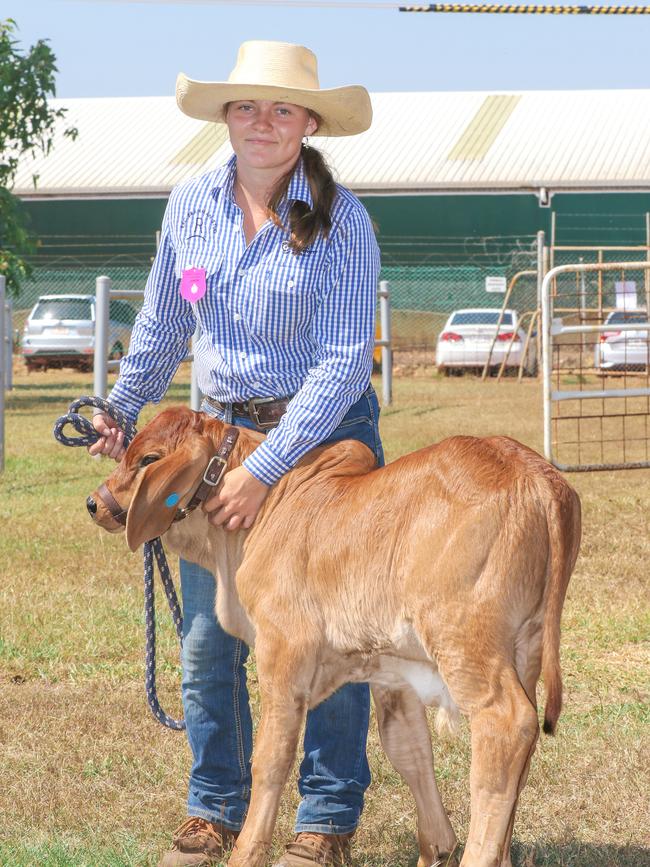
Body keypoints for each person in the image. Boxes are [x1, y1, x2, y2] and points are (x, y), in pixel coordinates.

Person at [90, 40, 383, 867]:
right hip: (214, 446)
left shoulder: (342, 221)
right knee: (212, 637)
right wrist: (121, 403)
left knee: (325, 633)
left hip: (322, 444)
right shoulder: (191, 208)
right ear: (225, 116)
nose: (263, 121)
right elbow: (165, 321)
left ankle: (323, 817)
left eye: (282, 107)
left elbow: (340, 362)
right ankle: (212, 805)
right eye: (247, 105)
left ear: (309, 122)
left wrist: (266, 467)